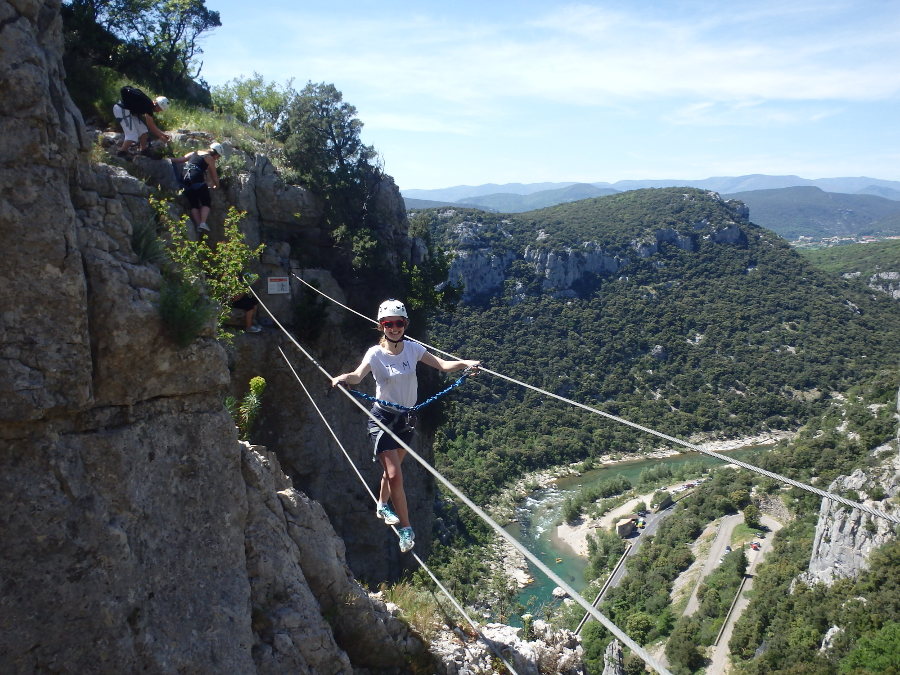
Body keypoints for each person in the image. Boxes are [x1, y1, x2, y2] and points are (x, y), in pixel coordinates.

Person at [330, 299, 479, 552]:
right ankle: (407, 530)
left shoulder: (413, 349)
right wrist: (343, 378)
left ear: (405, 324)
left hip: (407, 420)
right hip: (383, 419)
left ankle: (381, 504)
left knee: (392, 472)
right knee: (395, 474)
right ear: (382, 326)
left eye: (399, 323)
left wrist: (465, 363)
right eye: (389, 324)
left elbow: (442, 365)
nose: (394, 328)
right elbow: (357, 376)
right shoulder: (375, 354)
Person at [171, 143, 223, 233]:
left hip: (185, 179)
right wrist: (217, 186)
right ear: (216, 154)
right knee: (206, 201)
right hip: (196, 178)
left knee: (194, 203)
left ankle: (199, 225)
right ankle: (203, 222)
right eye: (218, 157)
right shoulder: (209, 158)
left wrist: (166, 159)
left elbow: (180, 160)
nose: (217, 158)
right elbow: (214, 175)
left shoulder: (194, 153)